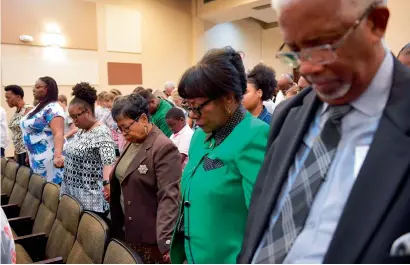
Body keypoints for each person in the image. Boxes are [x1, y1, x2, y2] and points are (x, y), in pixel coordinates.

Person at [238, 0, 410, 264]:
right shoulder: (290, 114)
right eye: (295, 50)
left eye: (323, 46)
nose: (307, 68)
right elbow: (259, 229)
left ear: (377, 23)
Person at [170, 46, 269, 264]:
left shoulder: (255, 136)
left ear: (229, 98)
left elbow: (262, 222)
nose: (193, 116)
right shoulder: (199, 136)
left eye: (198, 107)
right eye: (188, 107)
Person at [109, 94, 181, 263]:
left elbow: (169, 197)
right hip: (128, 228)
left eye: (126, 127)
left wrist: (166, 240)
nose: (123, 133)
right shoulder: (133, 140)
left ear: (142, 119)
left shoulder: (162, 147)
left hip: (150, 236)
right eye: (120, 129)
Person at [61, 82, 115, 219]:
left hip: (91, 199)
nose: (74, 121)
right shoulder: (82, 130)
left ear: (89, 112)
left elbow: (108, 161)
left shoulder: (101, 132)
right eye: (71, 117)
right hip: (74, 194)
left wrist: (107, 184)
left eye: (76, 116)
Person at [20, 76, 65, 184]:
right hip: (36, 157)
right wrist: (28, 152)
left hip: (49, 158)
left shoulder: (54, 108)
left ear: (47, 89)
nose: (33, 89)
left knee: (50, 192)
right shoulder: (40, 106)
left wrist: (58, 156)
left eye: (37, 86)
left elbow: (58, 132)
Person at [4, 85, 32, 164]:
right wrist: (15, 151)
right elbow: (17, 134)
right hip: (19, 151)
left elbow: (30, 131)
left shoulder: (28, 109)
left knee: (26, 175)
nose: (6, 100)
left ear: (18, 97)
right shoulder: (17, 112)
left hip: (26, 151)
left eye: (8, 98)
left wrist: (28, 152)